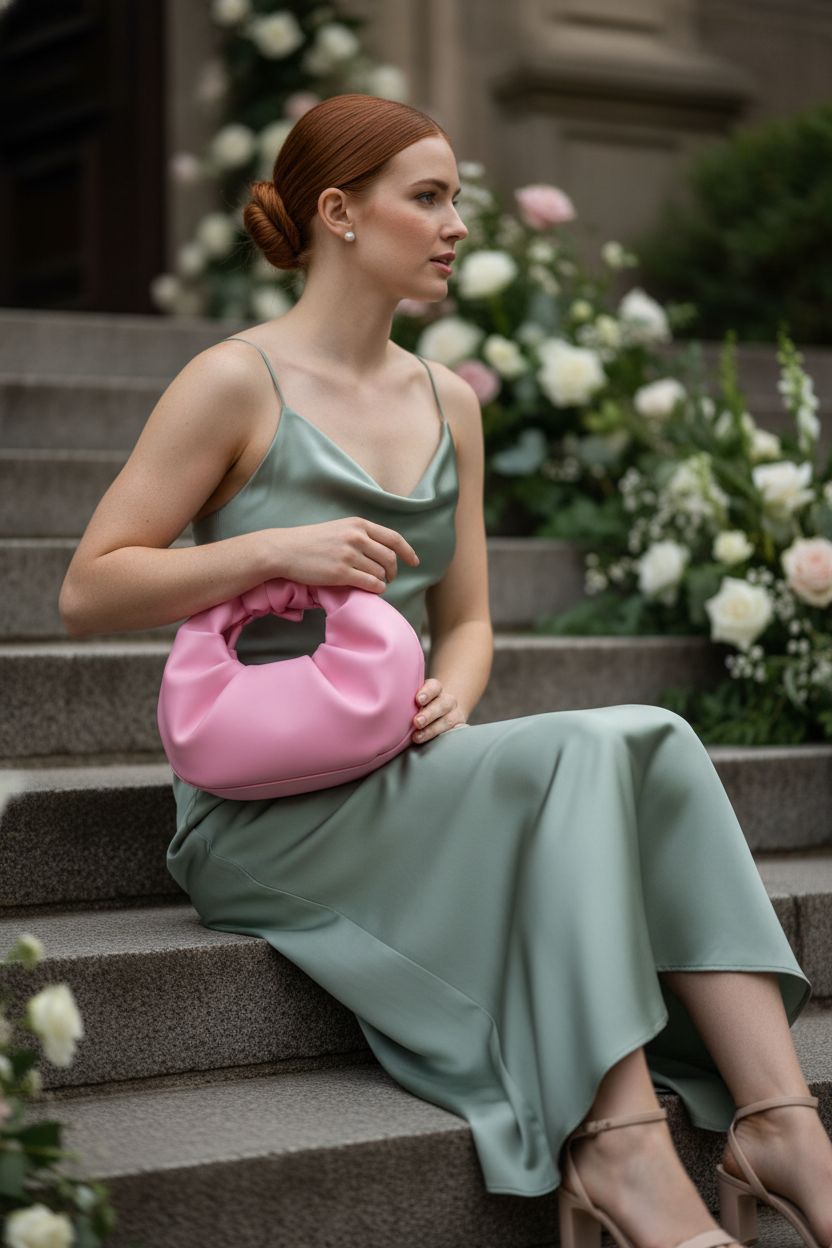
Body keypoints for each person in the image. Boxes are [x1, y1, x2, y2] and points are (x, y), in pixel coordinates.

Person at [58, 93, 831, 1248]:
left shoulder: (444, 401)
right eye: (428, 197)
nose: (456, 222)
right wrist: (272, 547)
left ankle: (781, 1126)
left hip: (405, 764)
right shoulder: (232, 382)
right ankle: (619, 1144)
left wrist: (454, 693)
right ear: (339, 213)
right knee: (580, 751)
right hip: (266, 814)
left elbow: (465, 621)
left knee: (654, 740)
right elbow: (88, 588)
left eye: (457, 197)